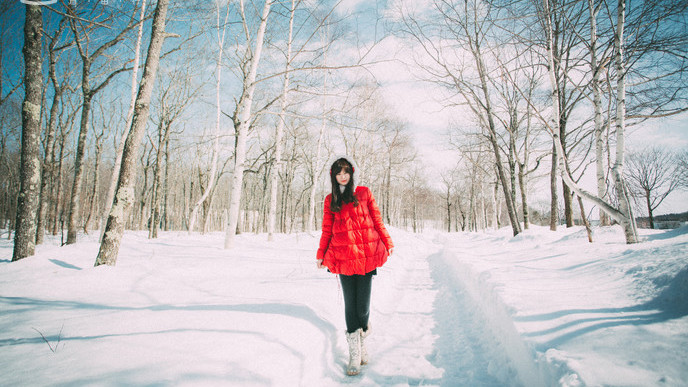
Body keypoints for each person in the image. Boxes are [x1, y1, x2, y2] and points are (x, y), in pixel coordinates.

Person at [316, 156, 394, 376]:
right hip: (343, 257)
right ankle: (354, 354)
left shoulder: (364, 193)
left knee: (363, 307)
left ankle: (362, 341)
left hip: (367, 255)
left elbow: (377, 219)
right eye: (339, 172)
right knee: (350, 305)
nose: (343, 176)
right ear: (334, 176)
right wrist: (321, 253)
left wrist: (387, 241)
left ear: (351, 173)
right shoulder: (330, 200)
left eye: (346, 172)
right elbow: (327, 230)